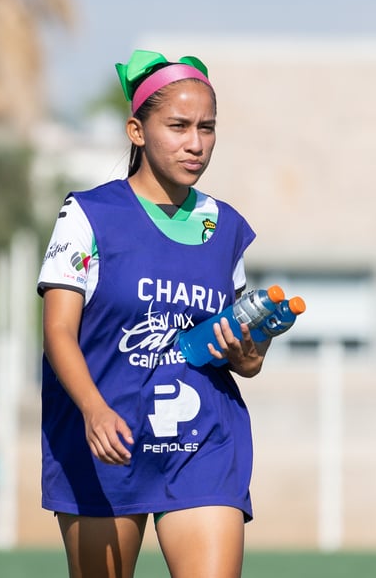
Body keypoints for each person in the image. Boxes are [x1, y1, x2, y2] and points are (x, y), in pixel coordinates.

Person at [37, 49, 271, 578]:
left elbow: (247, 361)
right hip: (106, 441)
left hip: (202, 444)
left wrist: (249, 351)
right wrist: (94, 409)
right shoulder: (88, 215)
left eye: (207, 128)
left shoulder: (224, 226)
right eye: (179, 126)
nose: (196, 142)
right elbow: (57, 331)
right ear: (137, 131)